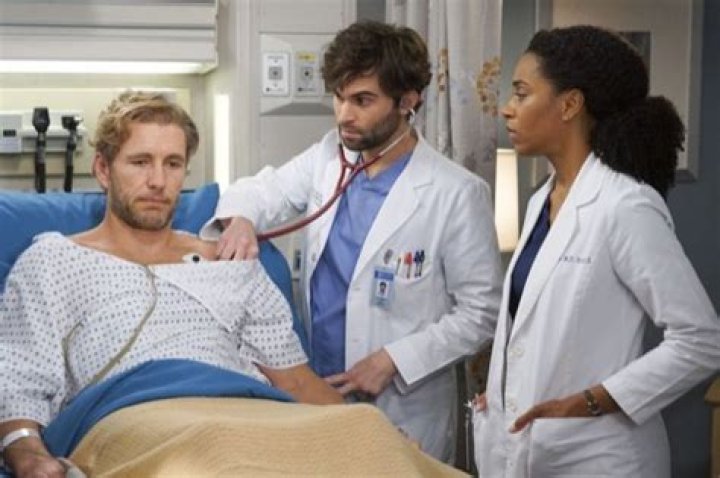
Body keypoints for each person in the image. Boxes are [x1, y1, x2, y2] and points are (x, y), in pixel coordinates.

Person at [0, 91, 344, 478]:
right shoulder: (53, 262)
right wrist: (28, 455)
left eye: (173, 164)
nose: (158, 181)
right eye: (140, 162)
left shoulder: (228, 264)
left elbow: (295, 380)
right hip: (137, 418)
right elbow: (18, 382)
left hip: (250, 415)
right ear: (103, 169)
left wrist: (363, 426)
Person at [201, 20, 502, 460]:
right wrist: (242, 220)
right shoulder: (329, 156)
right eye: (339, 97)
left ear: (408, 101)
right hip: (318, 390)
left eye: (363, 100)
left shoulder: (456, 193)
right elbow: (261, 190)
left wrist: (394, 360)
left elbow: (482, 311)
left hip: (402, 403)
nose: (344, 115)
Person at [473, 25, 720, 477]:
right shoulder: (542, 200)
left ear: (570, 104)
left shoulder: (625, 205)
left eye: (522, 94)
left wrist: (590, 402)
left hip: (599, 457)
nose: (507, 108)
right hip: (532, 449)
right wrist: (504, 389)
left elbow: (701, 339)